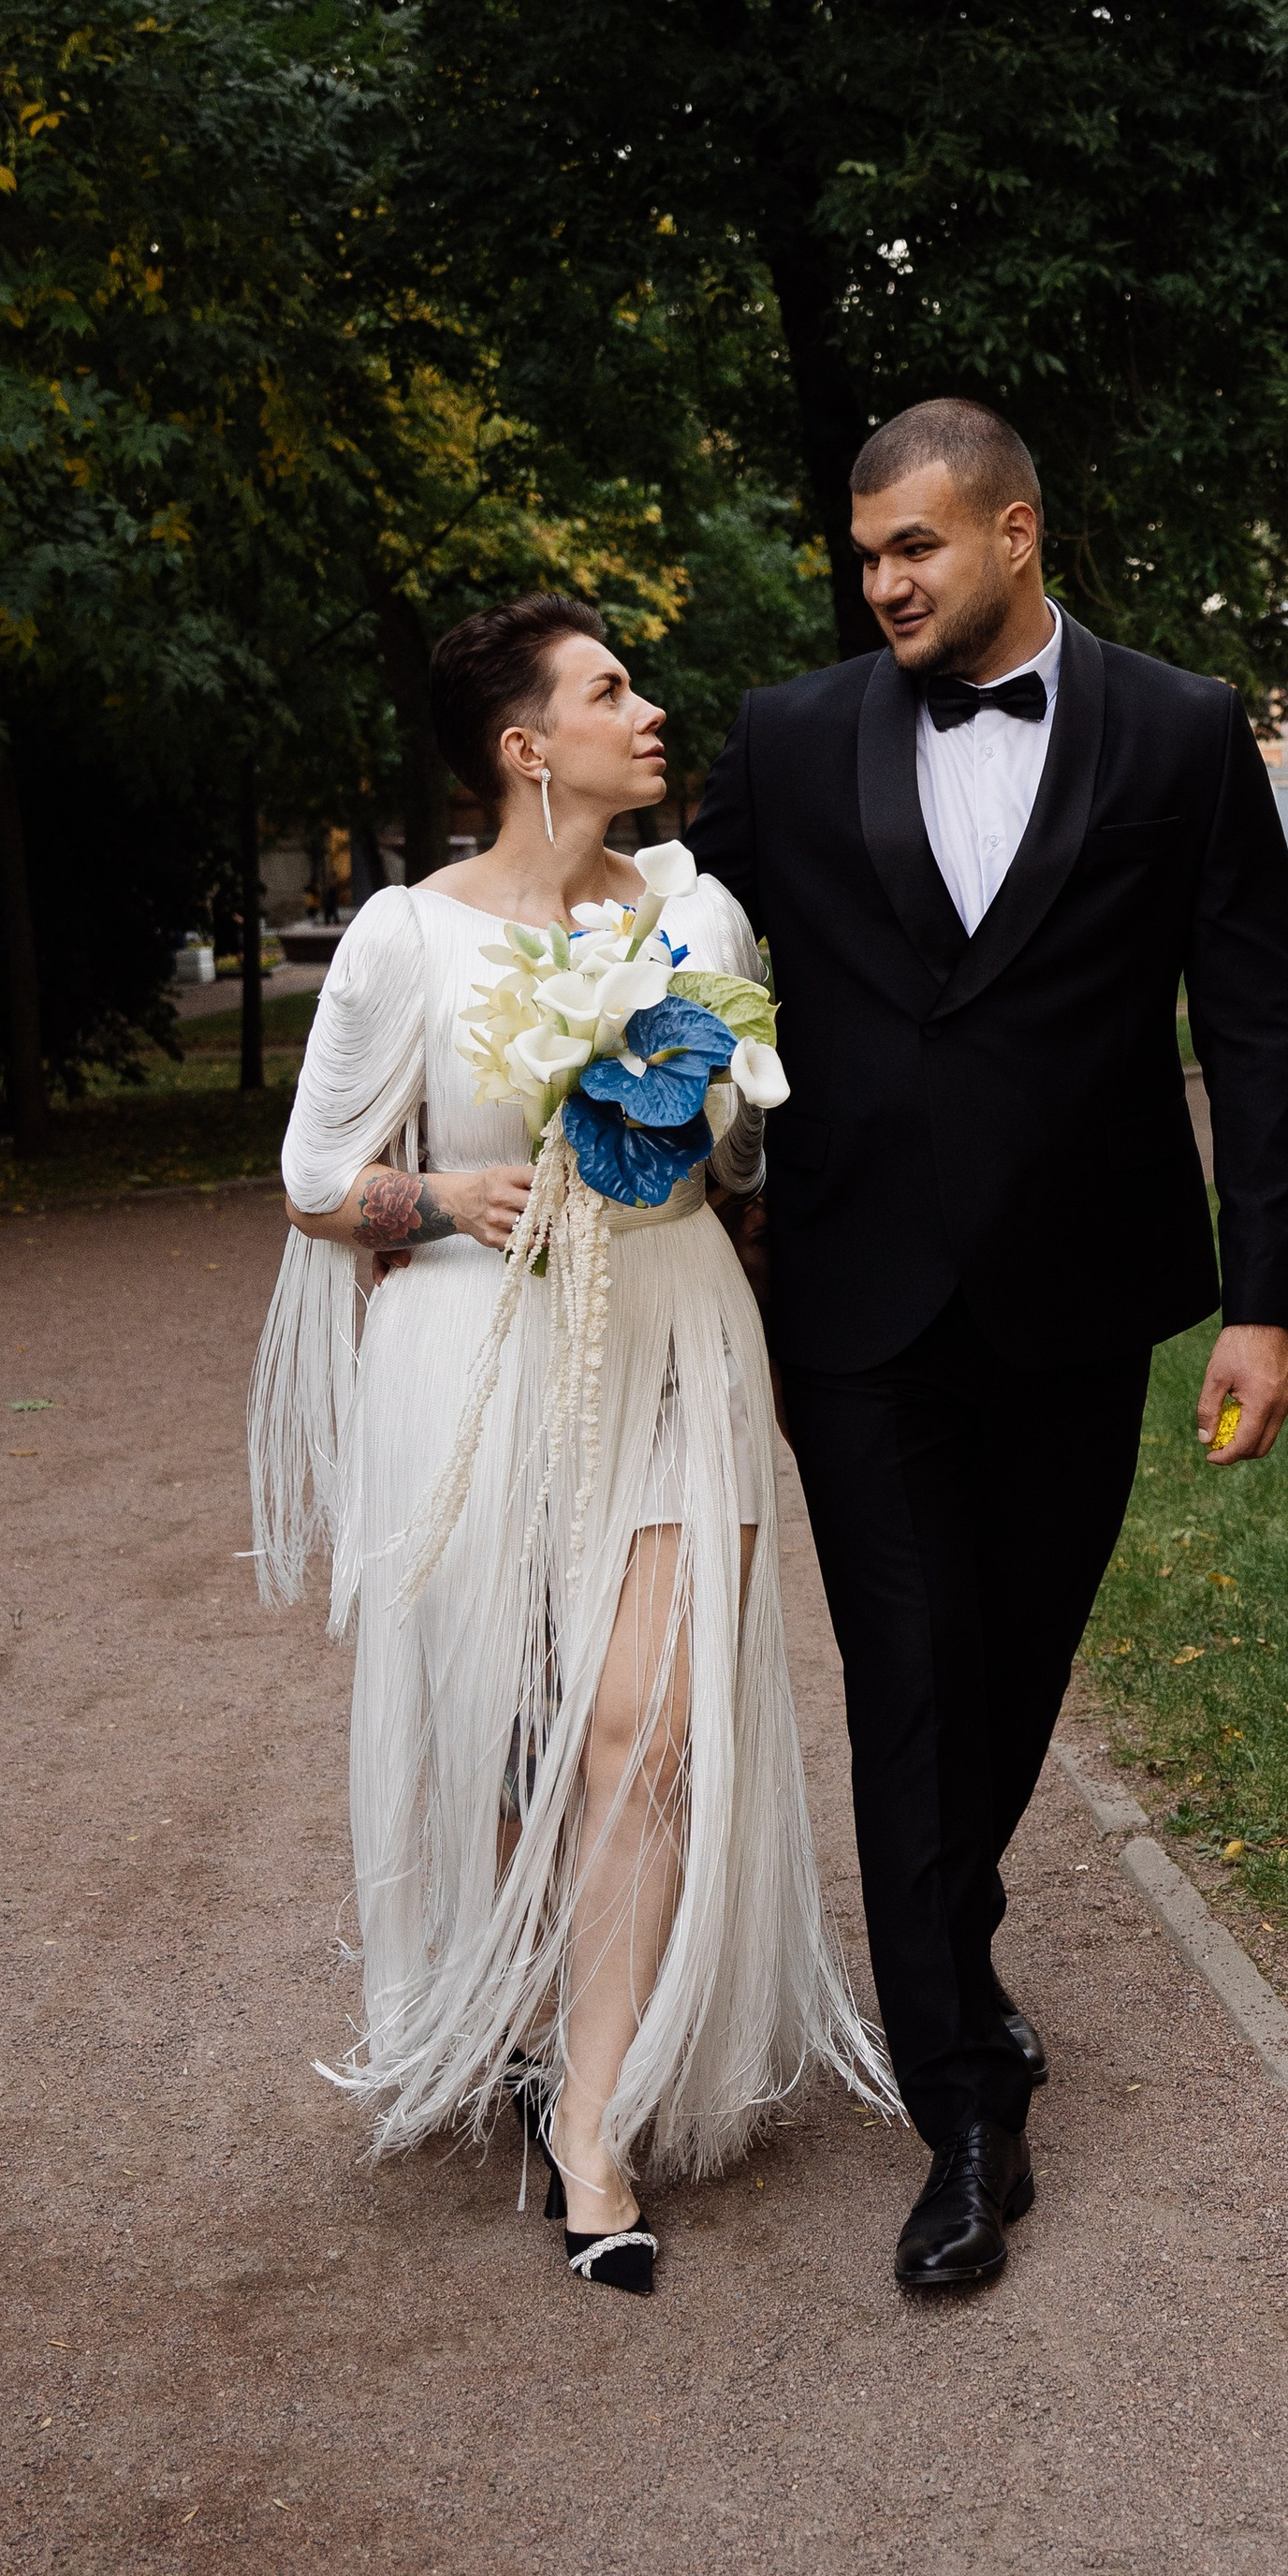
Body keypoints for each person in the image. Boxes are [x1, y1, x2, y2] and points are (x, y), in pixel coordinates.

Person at [690, 400, 1288, 2290]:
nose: (879, 581)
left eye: (915, 549)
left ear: (1015, 534)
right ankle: (964, 2106)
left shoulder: (1183, 729)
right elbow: (681, 952)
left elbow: (1260, 1025)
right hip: (852, 1295)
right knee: (905, 1669)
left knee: (1019, 1659)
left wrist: (1263, 1300)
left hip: (1080, 1286)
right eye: (864, 554)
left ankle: (942, 1938)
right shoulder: (789, 739)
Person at [247, 594, 887, 2293]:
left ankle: (590, 2113)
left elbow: (745, 1163)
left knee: (646, 1729)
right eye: (611, 691)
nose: (649, 711)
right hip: (478, 1343)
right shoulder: (409, 938)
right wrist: (441, 1191)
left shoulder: (702, 911)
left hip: (675, 1330)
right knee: (514, 1737)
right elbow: (318, 1184)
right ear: (528, 747)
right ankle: (525, 2012)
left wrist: (715, 1122)